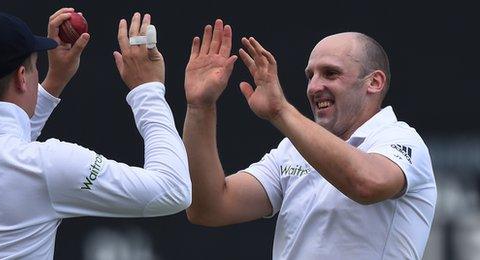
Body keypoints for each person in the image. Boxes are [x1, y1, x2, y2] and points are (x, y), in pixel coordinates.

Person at [0, 9, 191, 259]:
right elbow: (172, 190)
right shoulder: (48, 166)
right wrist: (147, 90)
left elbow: (4, 148)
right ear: (22, 78)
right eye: (35, 66)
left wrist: (54, 82)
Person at [183, 19, 437, 259]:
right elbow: (208, 207)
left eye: (330, 73)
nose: (314, 87)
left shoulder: (402, 139)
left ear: (374, 82)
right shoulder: (292, 149)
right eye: (310, 75)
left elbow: (367, 184)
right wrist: (200, 107)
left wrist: (280, 110)